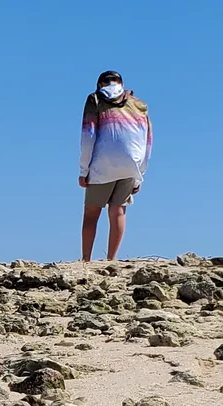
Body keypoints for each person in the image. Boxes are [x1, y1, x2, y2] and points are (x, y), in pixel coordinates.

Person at [78, 70, 151, 262]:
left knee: (91, 213)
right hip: (131, 163)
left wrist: (83, 170)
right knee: (118, 210)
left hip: (103, 163)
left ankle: (86, 259)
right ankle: (111, 259)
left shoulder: (95, 99)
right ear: (121, 84)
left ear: (100, 84)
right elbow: (146, 141)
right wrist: (139, 174)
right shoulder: (139, 104)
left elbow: (89, 136)